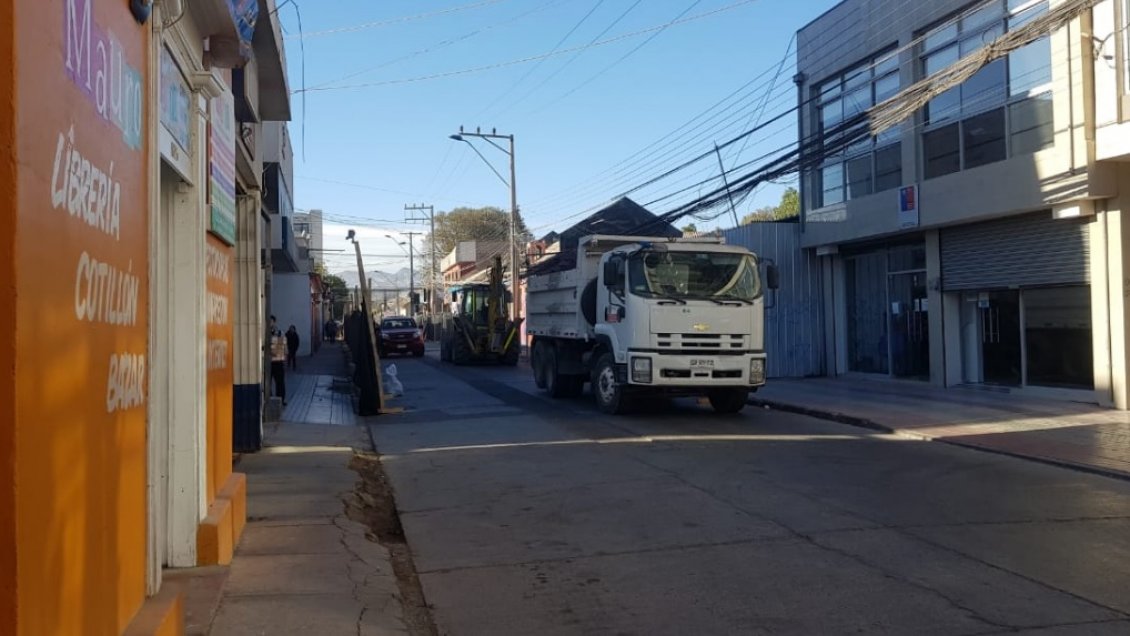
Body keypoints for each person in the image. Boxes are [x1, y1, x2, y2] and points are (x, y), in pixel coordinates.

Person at [269, 316, 287, 405]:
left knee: (280, 382)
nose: (270, 323)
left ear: (274, 322)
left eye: (271, 321)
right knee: (267, 383)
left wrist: (285, 356)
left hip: (278, 361)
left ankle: (281, 399)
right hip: (268, 362)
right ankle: (268, 398)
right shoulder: (264, 332)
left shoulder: (280, 333)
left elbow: (284, 345)